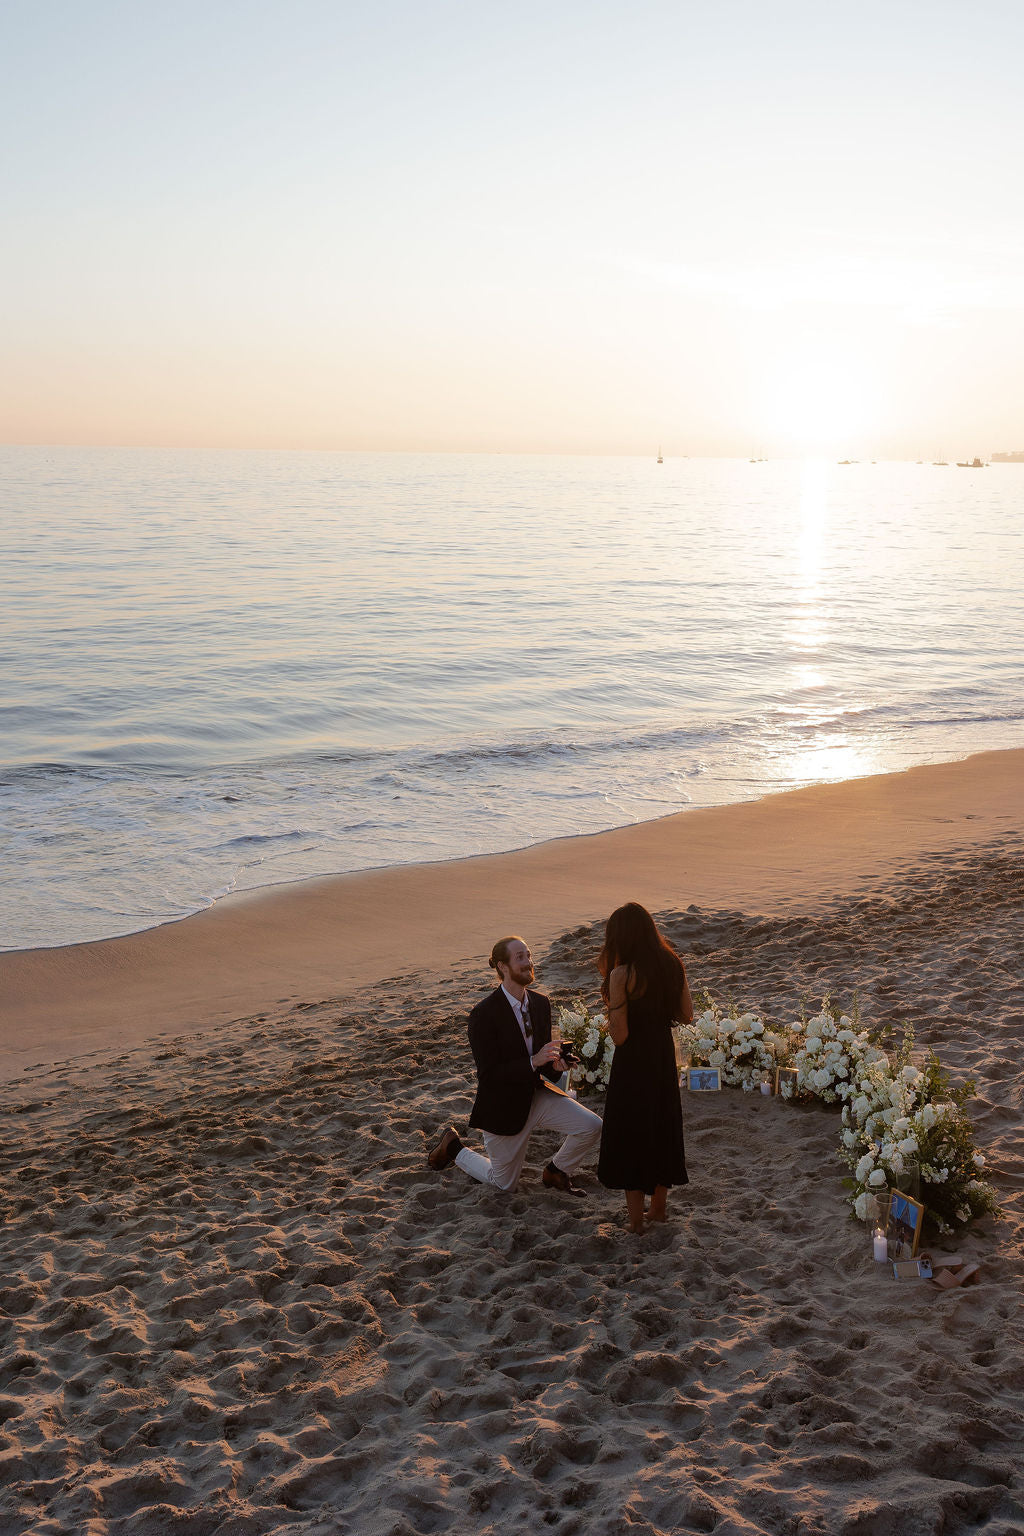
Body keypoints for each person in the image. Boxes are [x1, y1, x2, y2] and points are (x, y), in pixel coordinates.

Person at [428, 936, 602, 1196]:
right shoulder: (483, 1015)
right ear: (502, 966)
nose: (528, 962)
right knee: (504, 1184)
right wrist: (534, 1061)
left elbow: (544, 1070)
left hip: (536, 1095)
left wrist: (557, 1066)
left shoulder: (541, 1004)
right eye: (519, 957)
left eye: (529, 955)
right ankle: (453, 1148)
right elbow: (489, 1076)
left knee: (592, 1126)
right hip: (502, 1107)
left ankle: (556, 1171)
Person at [596, 902, 693, 1233]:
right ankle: (659, 1210)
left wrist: (615, 1001)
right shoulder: (672, 965)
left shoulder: (621, 974)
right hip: (662, 1057)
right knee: (661, 1125)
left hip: (633, 1063)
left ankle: (636, 1222)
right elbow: (686, 1015)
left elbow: (620, 1036)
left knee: (630, 1133)